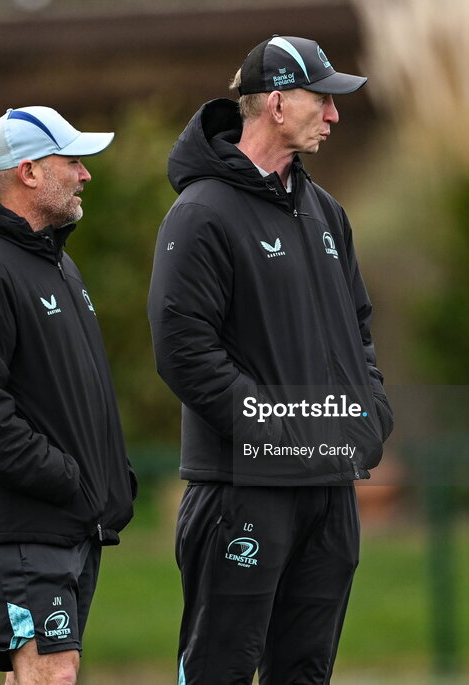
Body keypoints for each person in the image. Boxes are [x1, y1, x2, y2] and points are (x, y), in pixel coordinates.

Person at [148, 36, 394, 683]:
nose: (335, 115)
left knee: (305, 673)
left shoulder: (327, 214)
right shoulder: (200, 214)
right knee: (219, 671)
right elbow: (183, 350)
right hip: (243, 490)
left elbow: (360, 331)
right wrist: (273, 430)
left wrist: (369, 419)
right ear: (278, 104)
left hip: (328, 493)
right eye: (324, 99)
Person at [0, 106, 137, 685]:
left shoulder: (58, 264)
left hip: (66, 525)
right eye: (72, 161)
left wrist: (107, 480)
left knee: (38, 676)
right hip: (20, 527)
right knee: (51, 675)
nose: (85, 174)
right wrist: (62, 476)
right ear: (30, 172)